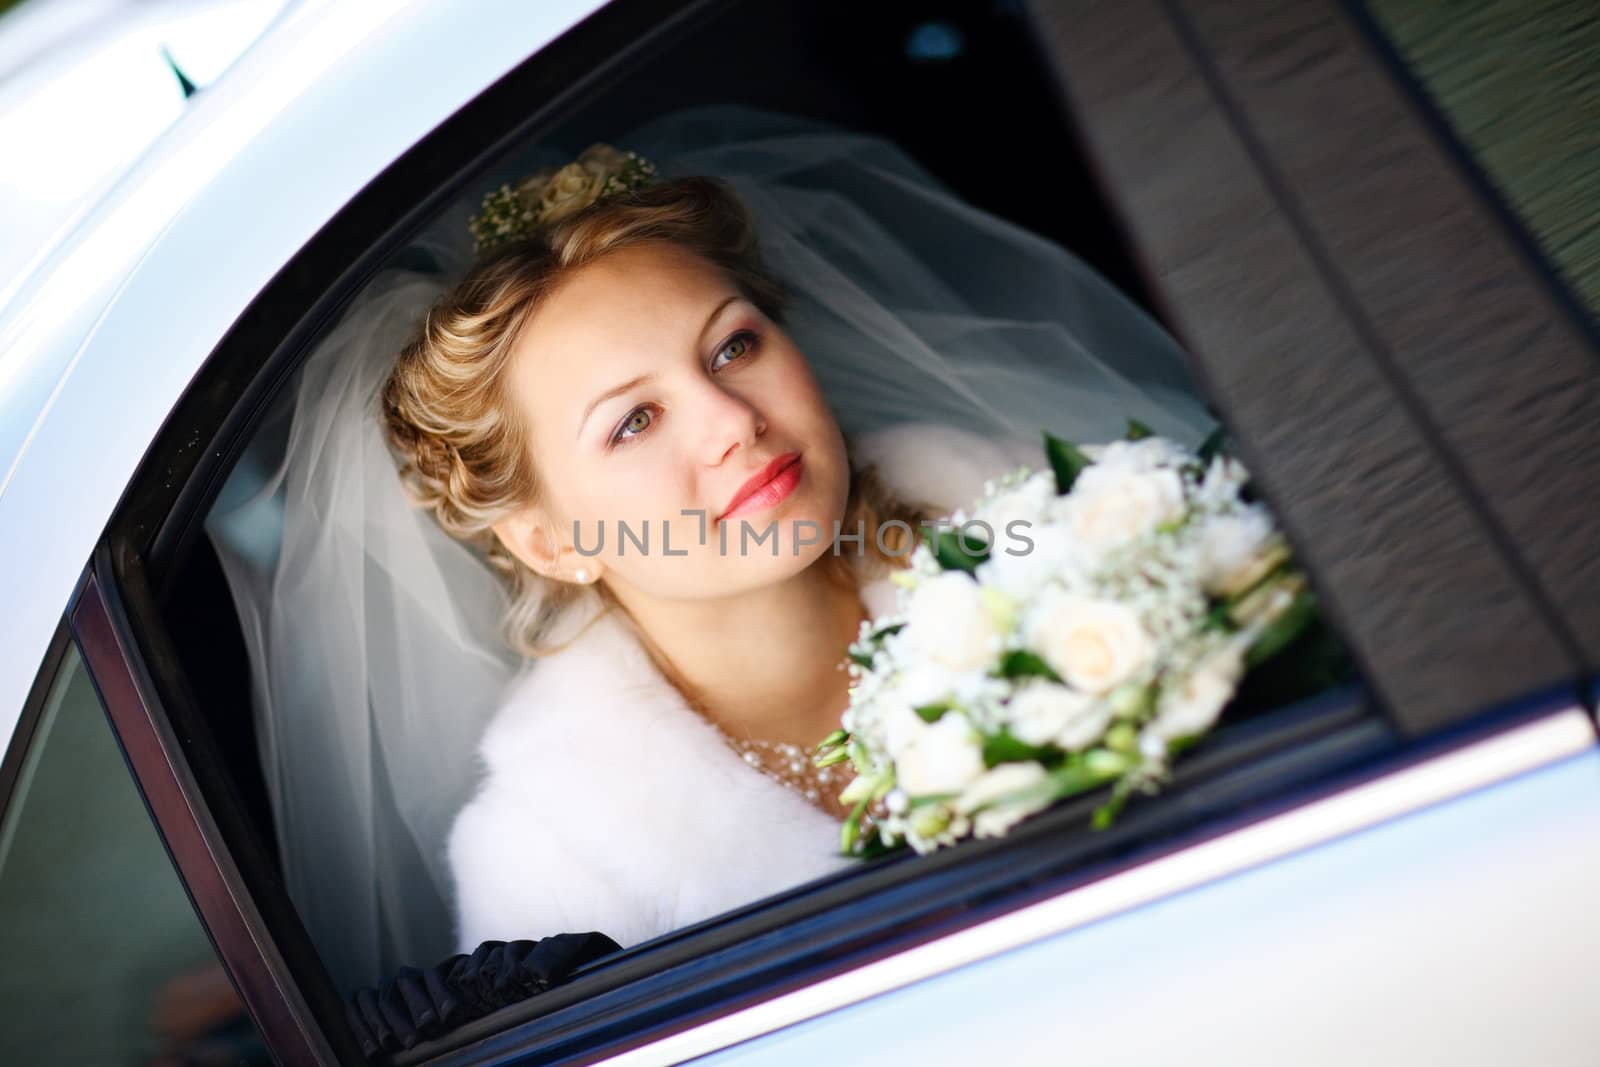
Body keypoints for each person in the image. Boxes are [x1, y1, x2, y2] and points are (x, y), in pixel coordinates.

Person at [207, 105, 1209, 993]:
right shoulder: (550, 860)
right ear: (549, 541)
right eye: (633, 421)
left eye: (733, 345)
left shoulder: (1055, 523)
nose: (730, 420)